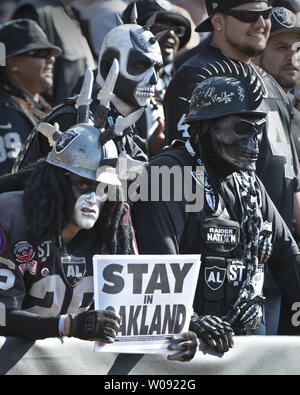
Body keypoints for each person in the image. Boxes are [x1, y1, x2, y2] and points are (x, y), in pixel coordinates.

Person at [133, 61, 300, 352]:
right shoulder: (165, 175)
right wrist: (190, 320)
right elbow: (157, 269)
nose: (254, 143)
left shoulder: (247, 182)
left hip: (239, 343)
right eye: (241, 128)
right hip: (180, 348)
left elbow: (287, 257)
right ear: (206, 127)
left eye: (258, 130)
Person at [163, 0, 300, 335]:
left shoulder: (266, 80)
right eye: (248, 16)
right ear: (219, 21)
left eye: (265, 15)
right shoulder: (199, 73)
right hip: (218, 273)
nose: (261, 24)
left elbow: (290, 173)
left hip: (269, 260)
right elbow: (188, 168)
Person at [13, 13, 164, 172]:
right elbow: (73, 189)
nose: (153, 79)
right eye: (141, 65)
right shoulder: (76, 119)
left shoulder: (120, 121)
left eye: (157, 68)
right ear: (107, 68)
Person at [253, 6, 300, 334]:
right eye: (281, 47)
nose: (292, 57)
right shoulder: (257, 99)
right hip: (261, 262)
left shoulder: (289, 107)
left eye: (298, 49)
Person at [122, 0, 192, 156]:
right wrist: (150, 151)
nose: (171, 35)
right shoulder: (109, 80)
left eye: (177, 30)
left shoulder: (181, 84)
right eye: (160, 28)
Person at [0, 19, 61, 175]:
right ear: (12, 63)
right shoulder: (6, 112)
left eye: (50, 54)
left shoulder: (40, 105)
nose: (51, 59)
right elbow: (11, 180)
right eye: (41, 53)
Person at [13, 0, 95, 106]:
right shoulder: (33, 12)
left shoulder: (72, 12)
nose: (51, 59)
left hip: (76, 116)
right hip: (50, 117)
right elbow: (21, 79)